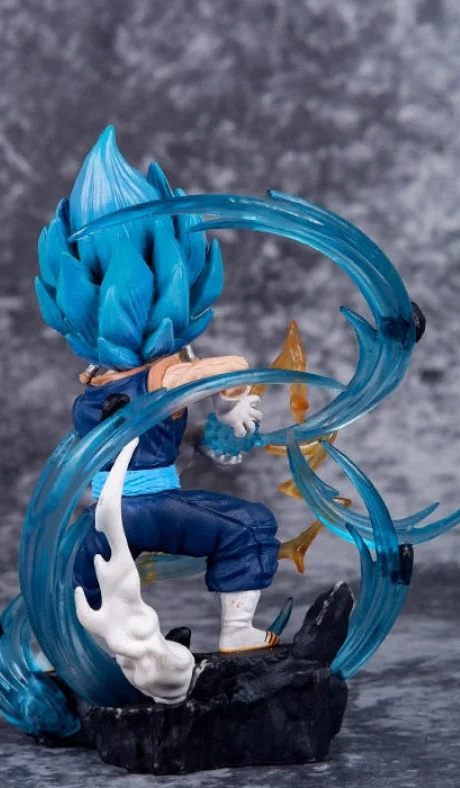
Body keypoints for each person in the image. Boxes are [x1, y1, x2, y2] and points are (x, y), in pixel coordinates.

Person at [34, 126, 280, 652]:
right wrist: (229, 406)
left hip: (101, 515)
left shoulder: (94, 383)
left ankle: (60, 656)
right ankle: (239, 633)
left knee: (80, 578)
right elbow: (231, 366)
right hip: (147, 508)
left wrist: (199, 436)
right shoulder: (159, 374)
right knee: (250, 526)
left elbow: (121, 443)